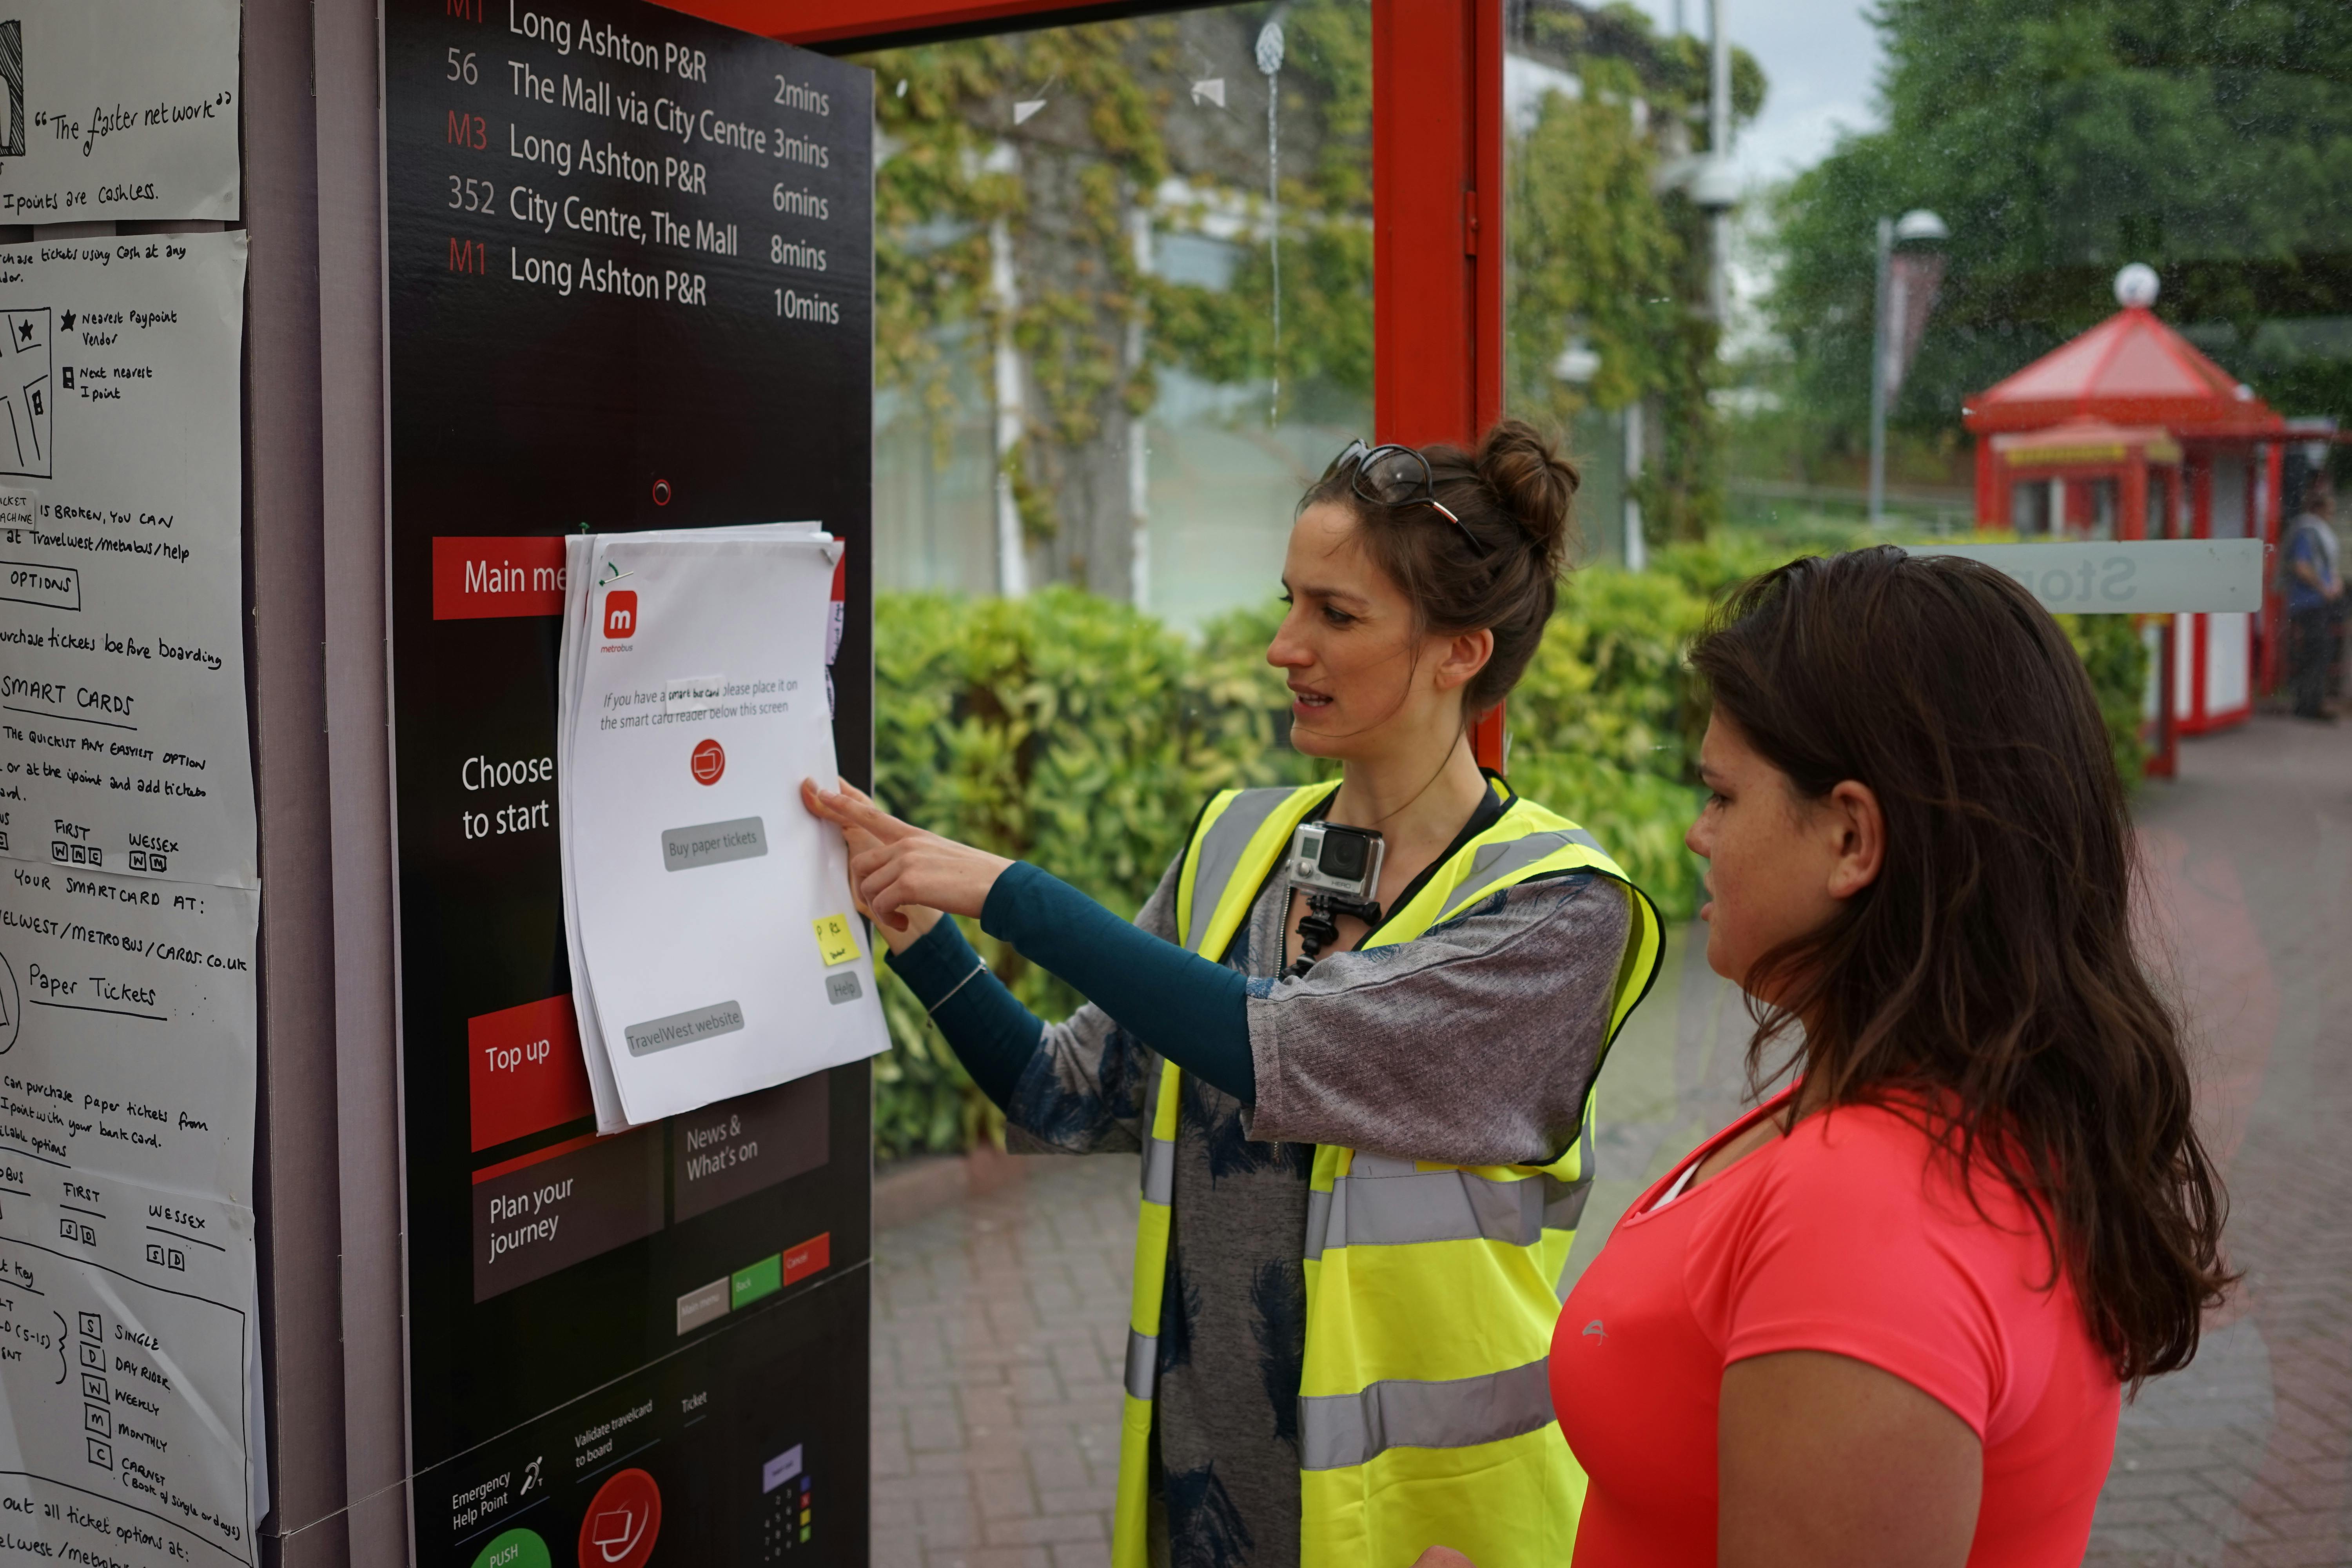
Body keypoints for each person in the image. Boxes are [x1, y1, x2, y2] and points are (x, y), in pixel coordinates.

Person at [804, 422, 1663, 1568]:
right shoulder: (1235, 843)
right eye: (1287, 600)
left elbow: (1286, 1048)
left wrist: (1010, 893)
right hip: (1206, 1509)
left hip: (1428, 1532)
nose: (1281, 645)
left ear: (1460, 650)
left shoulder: (1556, 910)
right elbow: (1065, 1095)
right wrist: (922, 943)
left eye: (1334, 614)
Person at [1537, 548, 2231, 1568]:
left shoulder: (1866, 1206)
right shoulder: (1955, 1120)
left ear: (1853, 838)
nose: (1696, 835)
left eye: (1723, 796)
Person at [2283, 470, 2343, 720]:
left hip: (2318, 601)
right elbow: (2301, 566)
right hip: (2310, 602)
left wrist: (2335, 581)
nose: (2332, 516)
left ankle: (2311, 702)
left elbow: (2326, 565)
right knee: (2316, 653)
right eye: (2329, 510)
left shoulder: (2316, 530)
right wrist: (2324, 587)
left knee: (2320, 652)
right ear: (2319, 509)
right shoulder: (2308, 530)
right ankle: (2308, 705)